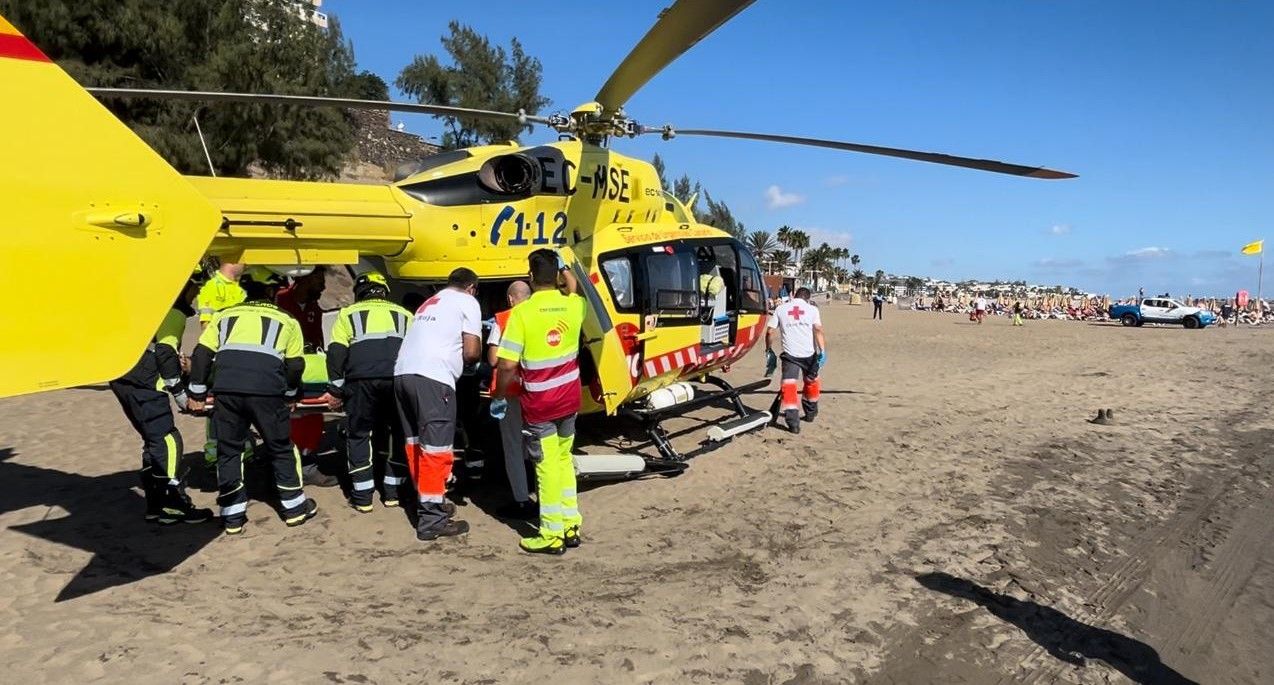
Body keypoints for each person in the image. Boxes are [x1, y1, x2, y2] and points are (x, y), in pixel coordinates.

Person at [187, 267, 318, 535]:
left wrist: (197, 394)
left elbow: (201, 355)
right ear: (271, 292)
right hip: (267, 392)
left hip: (228, 391)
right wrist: (291, 395)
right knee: (280, 447)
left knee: (229, 450)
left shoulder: (224, 317)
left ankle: (233, 517)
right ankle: (294, 509)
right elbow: (294, 366)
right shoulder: (288, 321)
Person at [494, 249, 587, 555]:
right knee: (563, 461)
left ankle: (551, 533)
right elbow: (574, 288)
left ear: (531, 278)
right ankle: (570, 523)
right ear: (557, 275)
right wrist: (565, 269)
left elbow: (506, 365)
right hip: (569, 400)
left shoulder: (521, 314)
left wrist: (502, 393)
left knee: (545, 467)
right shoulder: (574, 306)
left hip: (540, 405)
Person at [109, 268, 213, 524]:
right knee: (168, 439)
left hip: (121, 376)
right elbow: (165, 352)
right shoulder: (173, 311)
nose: (198, 291)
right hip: (143, 381)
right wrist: (178, 393)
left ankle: (155, 503)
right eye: (197, 285)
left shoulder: (150, 306)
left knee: (152, 440)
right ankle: (172, 504)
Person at [394, 268, 482, 541]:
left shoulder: (429, 302)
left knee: (415, 443)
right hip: (434, 378)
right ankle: (432, 519)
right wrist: (473, 363)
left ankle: (427, 500)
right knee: (437, 447)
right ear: (472, 288)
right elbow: (471, 350)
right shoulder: (468, 301)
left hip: (403, 374)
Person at [324, 272, 413, 512]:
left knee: (359, 434)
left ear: (359, 293)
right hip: (397, 379)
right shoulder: (405, 314)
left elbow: (336, 352)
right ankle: (393, 493)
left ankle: (363, 496)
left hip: (360, 380)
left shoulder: (347, 314)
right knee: (397, 433)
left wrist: (336, 388)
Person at [275, 266, 336, 487]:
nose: (323, 286)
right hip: (283, 370)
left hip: (308, 371)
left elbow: (317, 339)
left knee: (313, 416)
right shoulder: (280, 301)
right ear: (305, 278)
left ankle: (308, 464)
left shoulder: (314, 307)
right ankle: (291, 467)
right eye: (319, 279)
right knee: (289, 418)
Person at [486, 280, 536, 520]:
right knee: (537, 443)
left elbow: (495, 359)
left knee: (513, 446)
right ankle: (540, 490)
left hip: (510, 390)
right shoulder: (540, 315)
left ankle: (521, 500)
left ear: (510, 299)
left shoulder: (504, 318)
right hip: (538, 388)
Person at [195, 261, 249, 467]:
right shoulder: (212, 288)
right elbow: (206, 327)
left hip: (242, 355)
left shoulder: (240, 287)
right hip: (222, 356)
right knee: (219, 408)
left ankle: (244, 447)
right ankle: (214, 452)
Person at [766, 286, 825, 434]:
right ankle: (810, 414)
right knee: (812, 382)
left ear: (794, 296)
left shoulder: (781, 309)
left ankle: (793, 424)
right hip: (809, 354)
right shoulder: (812, 310)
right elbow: (818, 330)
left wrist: (769, 349)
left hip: (790, 354)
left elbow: (770, 331)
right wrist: (822, 350)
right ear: (808, 298)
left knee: (789, 385)